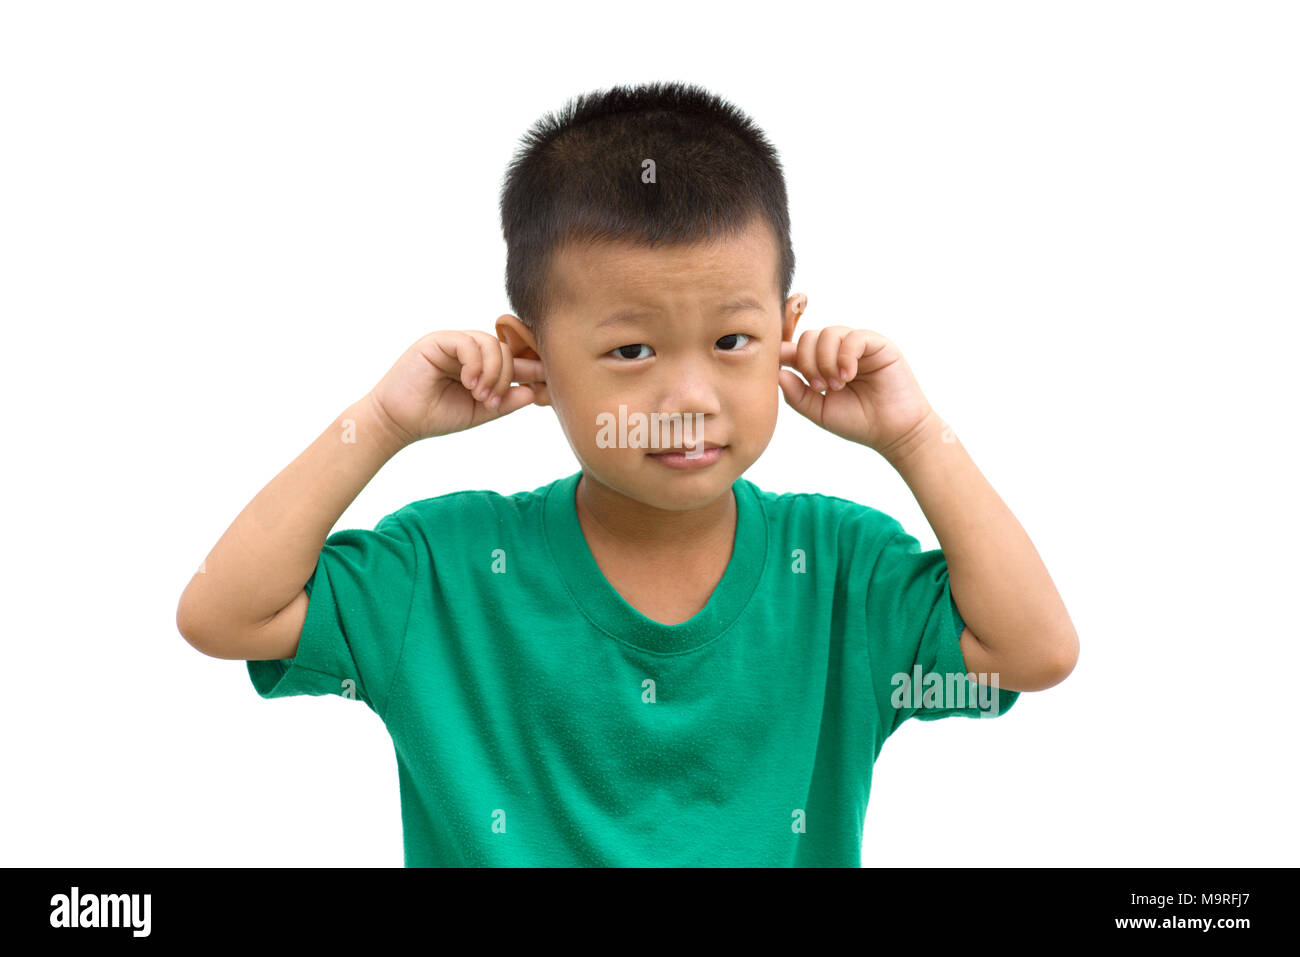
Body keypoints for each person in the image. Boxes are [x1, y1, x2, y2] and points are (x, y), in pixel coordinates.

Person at [176, 81, 1078, 867]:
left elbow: (1032, 651)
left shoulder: (838, 567)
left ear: (787, 329)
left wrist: (915, 436)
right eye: (631, 348)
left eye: (733, 340)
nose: (689, 393)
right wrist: (378, 424)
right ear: (530, 353)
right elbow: (226, 614)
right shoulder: (446, 569)